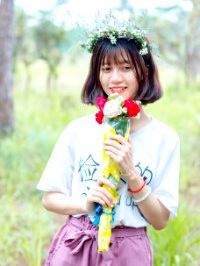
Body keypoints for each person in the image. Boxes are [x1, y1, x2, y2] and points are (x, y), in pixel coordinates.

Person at [37, 21, 180, 266]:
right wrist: (85, 203)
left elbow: (160, 220)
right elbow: (50, 198)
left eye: (126, 67)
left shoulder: (164, 139)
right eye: (106, 68)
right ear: (97, 74)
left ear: (144, 70)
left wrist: (131, 173)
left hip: (129, 251)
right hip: (76, 244)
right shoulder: (78, 131)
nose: (115, 78)